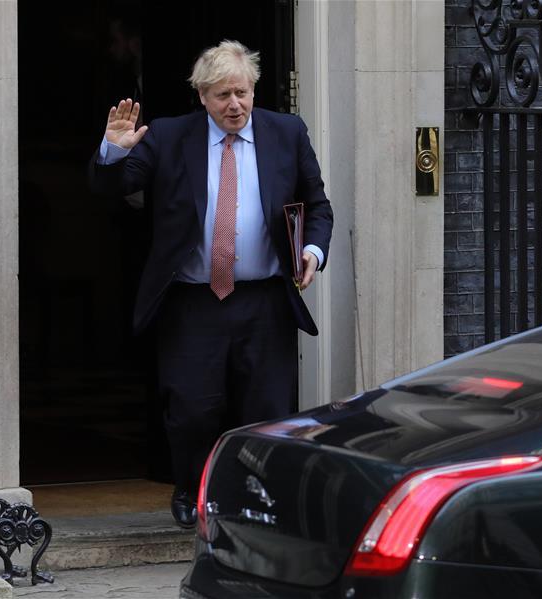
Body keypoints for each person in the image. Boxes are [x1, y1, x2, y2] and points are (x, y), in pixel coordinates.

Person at [89, 40, 333, 528]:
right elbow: (114, 190)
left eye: (242, 93)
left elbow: (317, 204)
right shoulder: (168, 135)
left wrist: (312, 250)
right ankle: (192, 488)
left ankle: (258, 498)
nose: (235, 105)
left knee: (266, 408)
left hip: (265, 299)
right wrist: (113, 151)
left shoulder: (287, 132)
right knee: (192, 409)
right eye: (223, 95)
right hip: (193, 301)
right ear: (202, 96)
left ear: (254, 89)